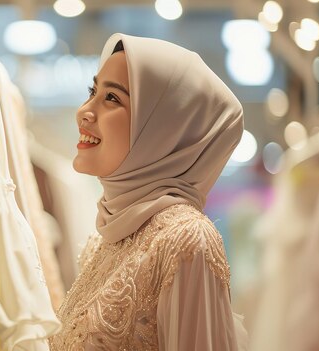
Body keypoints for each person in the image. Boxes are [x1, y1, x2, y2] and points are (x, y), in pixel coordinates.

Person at [48, 33, 249, 350]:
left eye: (112, 98)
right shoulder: (107, 239)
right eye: (93, 92)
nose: (84, 111)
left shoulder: (185, 238)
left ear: (163, 129)